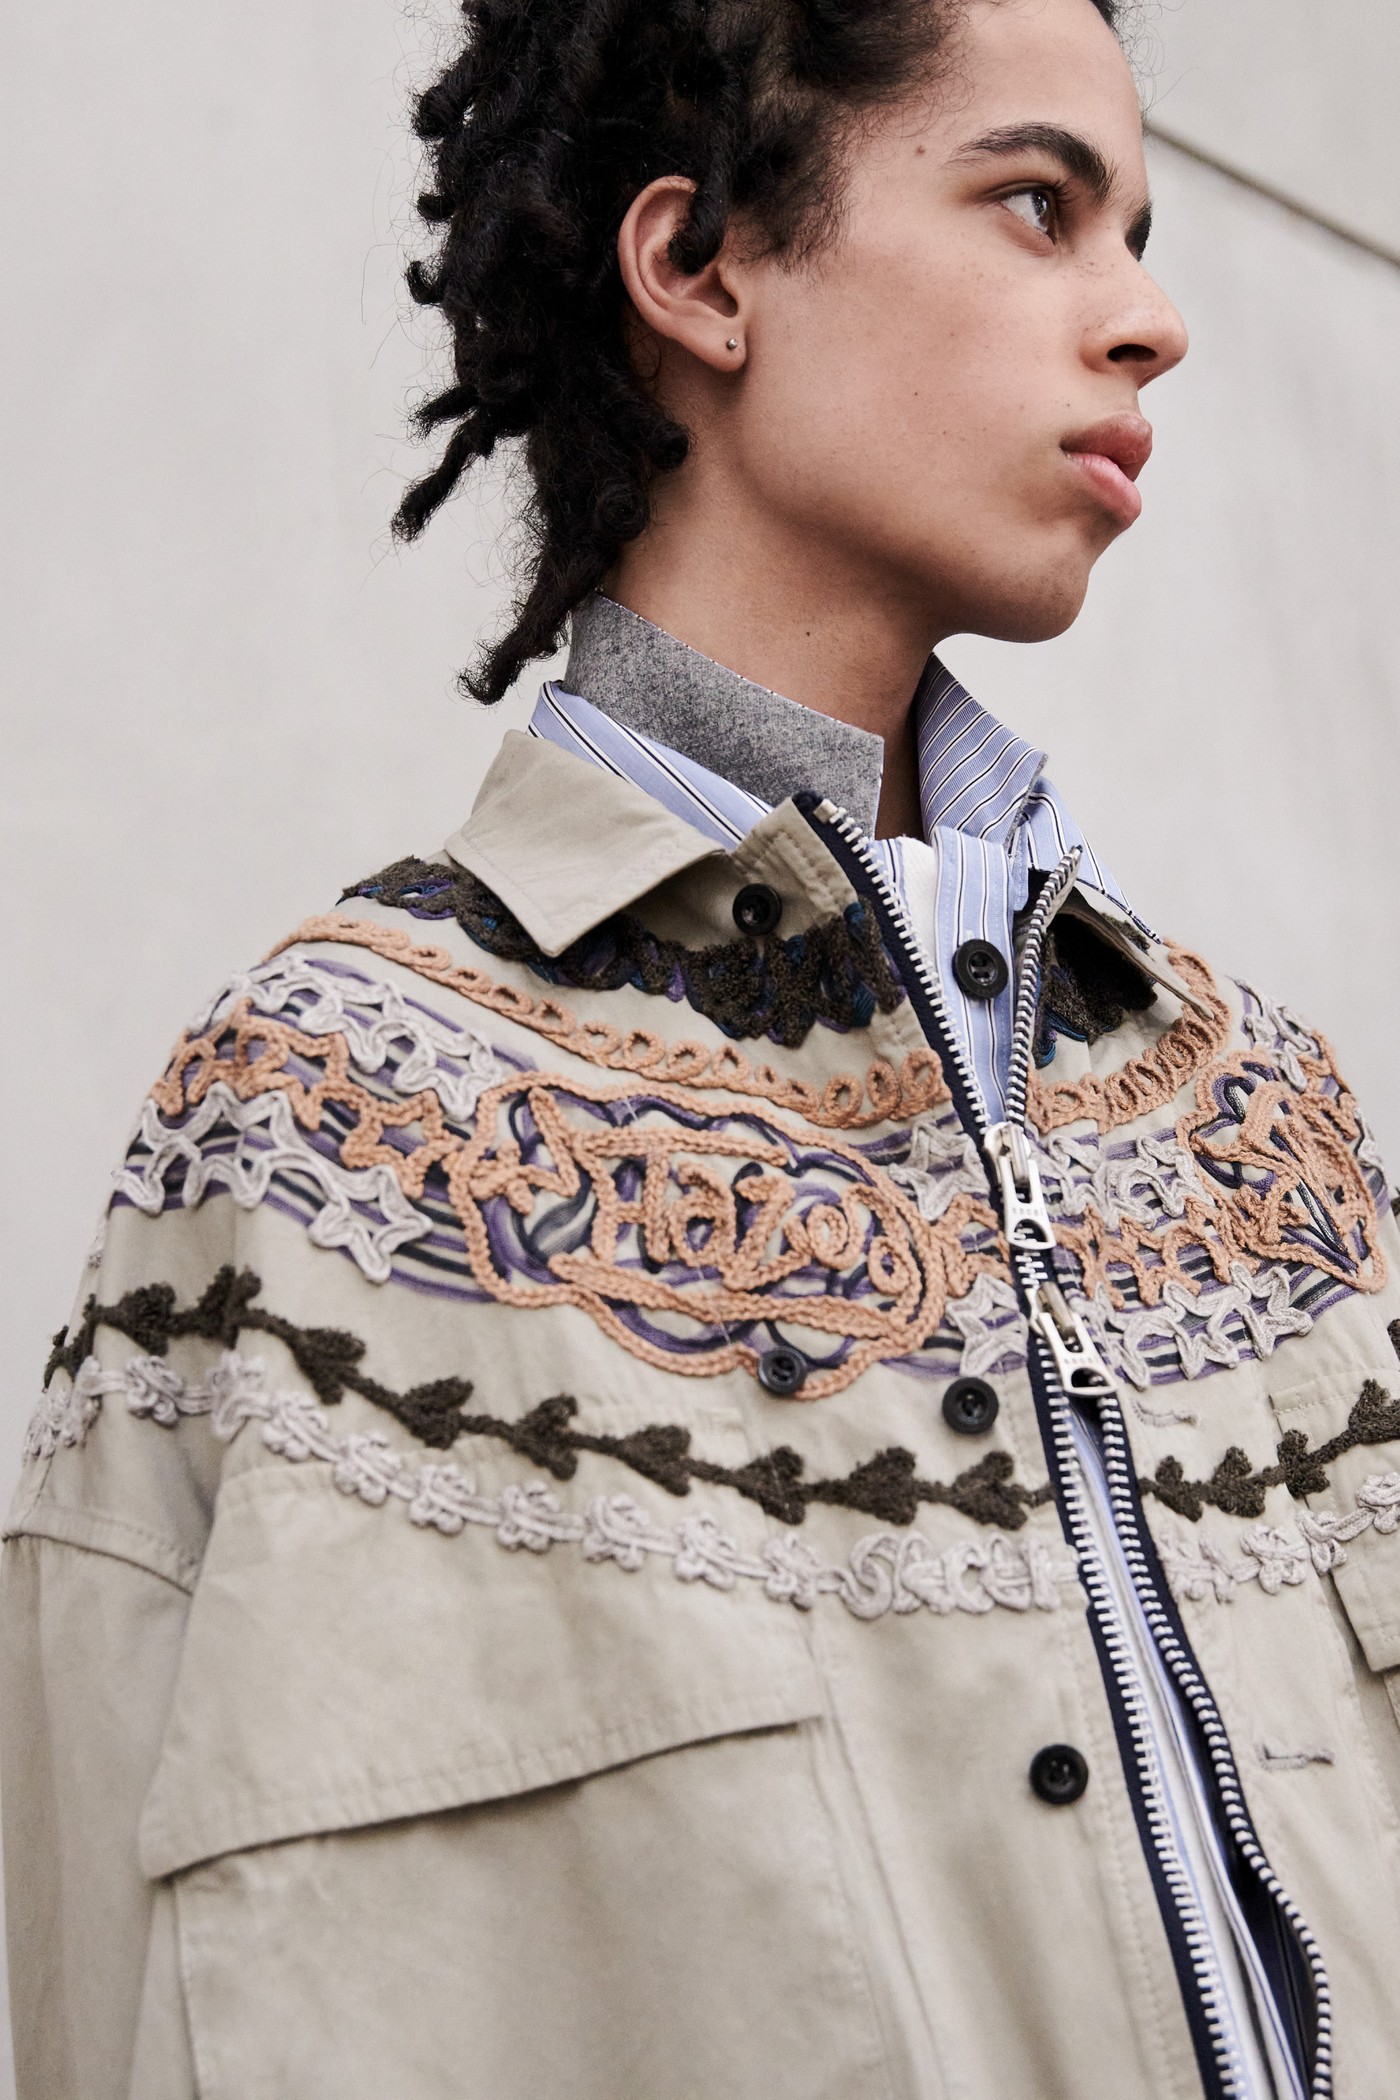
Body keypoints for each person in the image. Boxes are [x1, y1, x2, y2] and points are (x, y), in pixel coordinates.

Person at [4, 0, 1399, 2093]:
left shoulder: (1260, 1118)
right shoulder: (320, 1128)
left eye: (1138, 232)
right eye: (1040, 205)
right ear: (700, 265)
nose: (1149, 321)